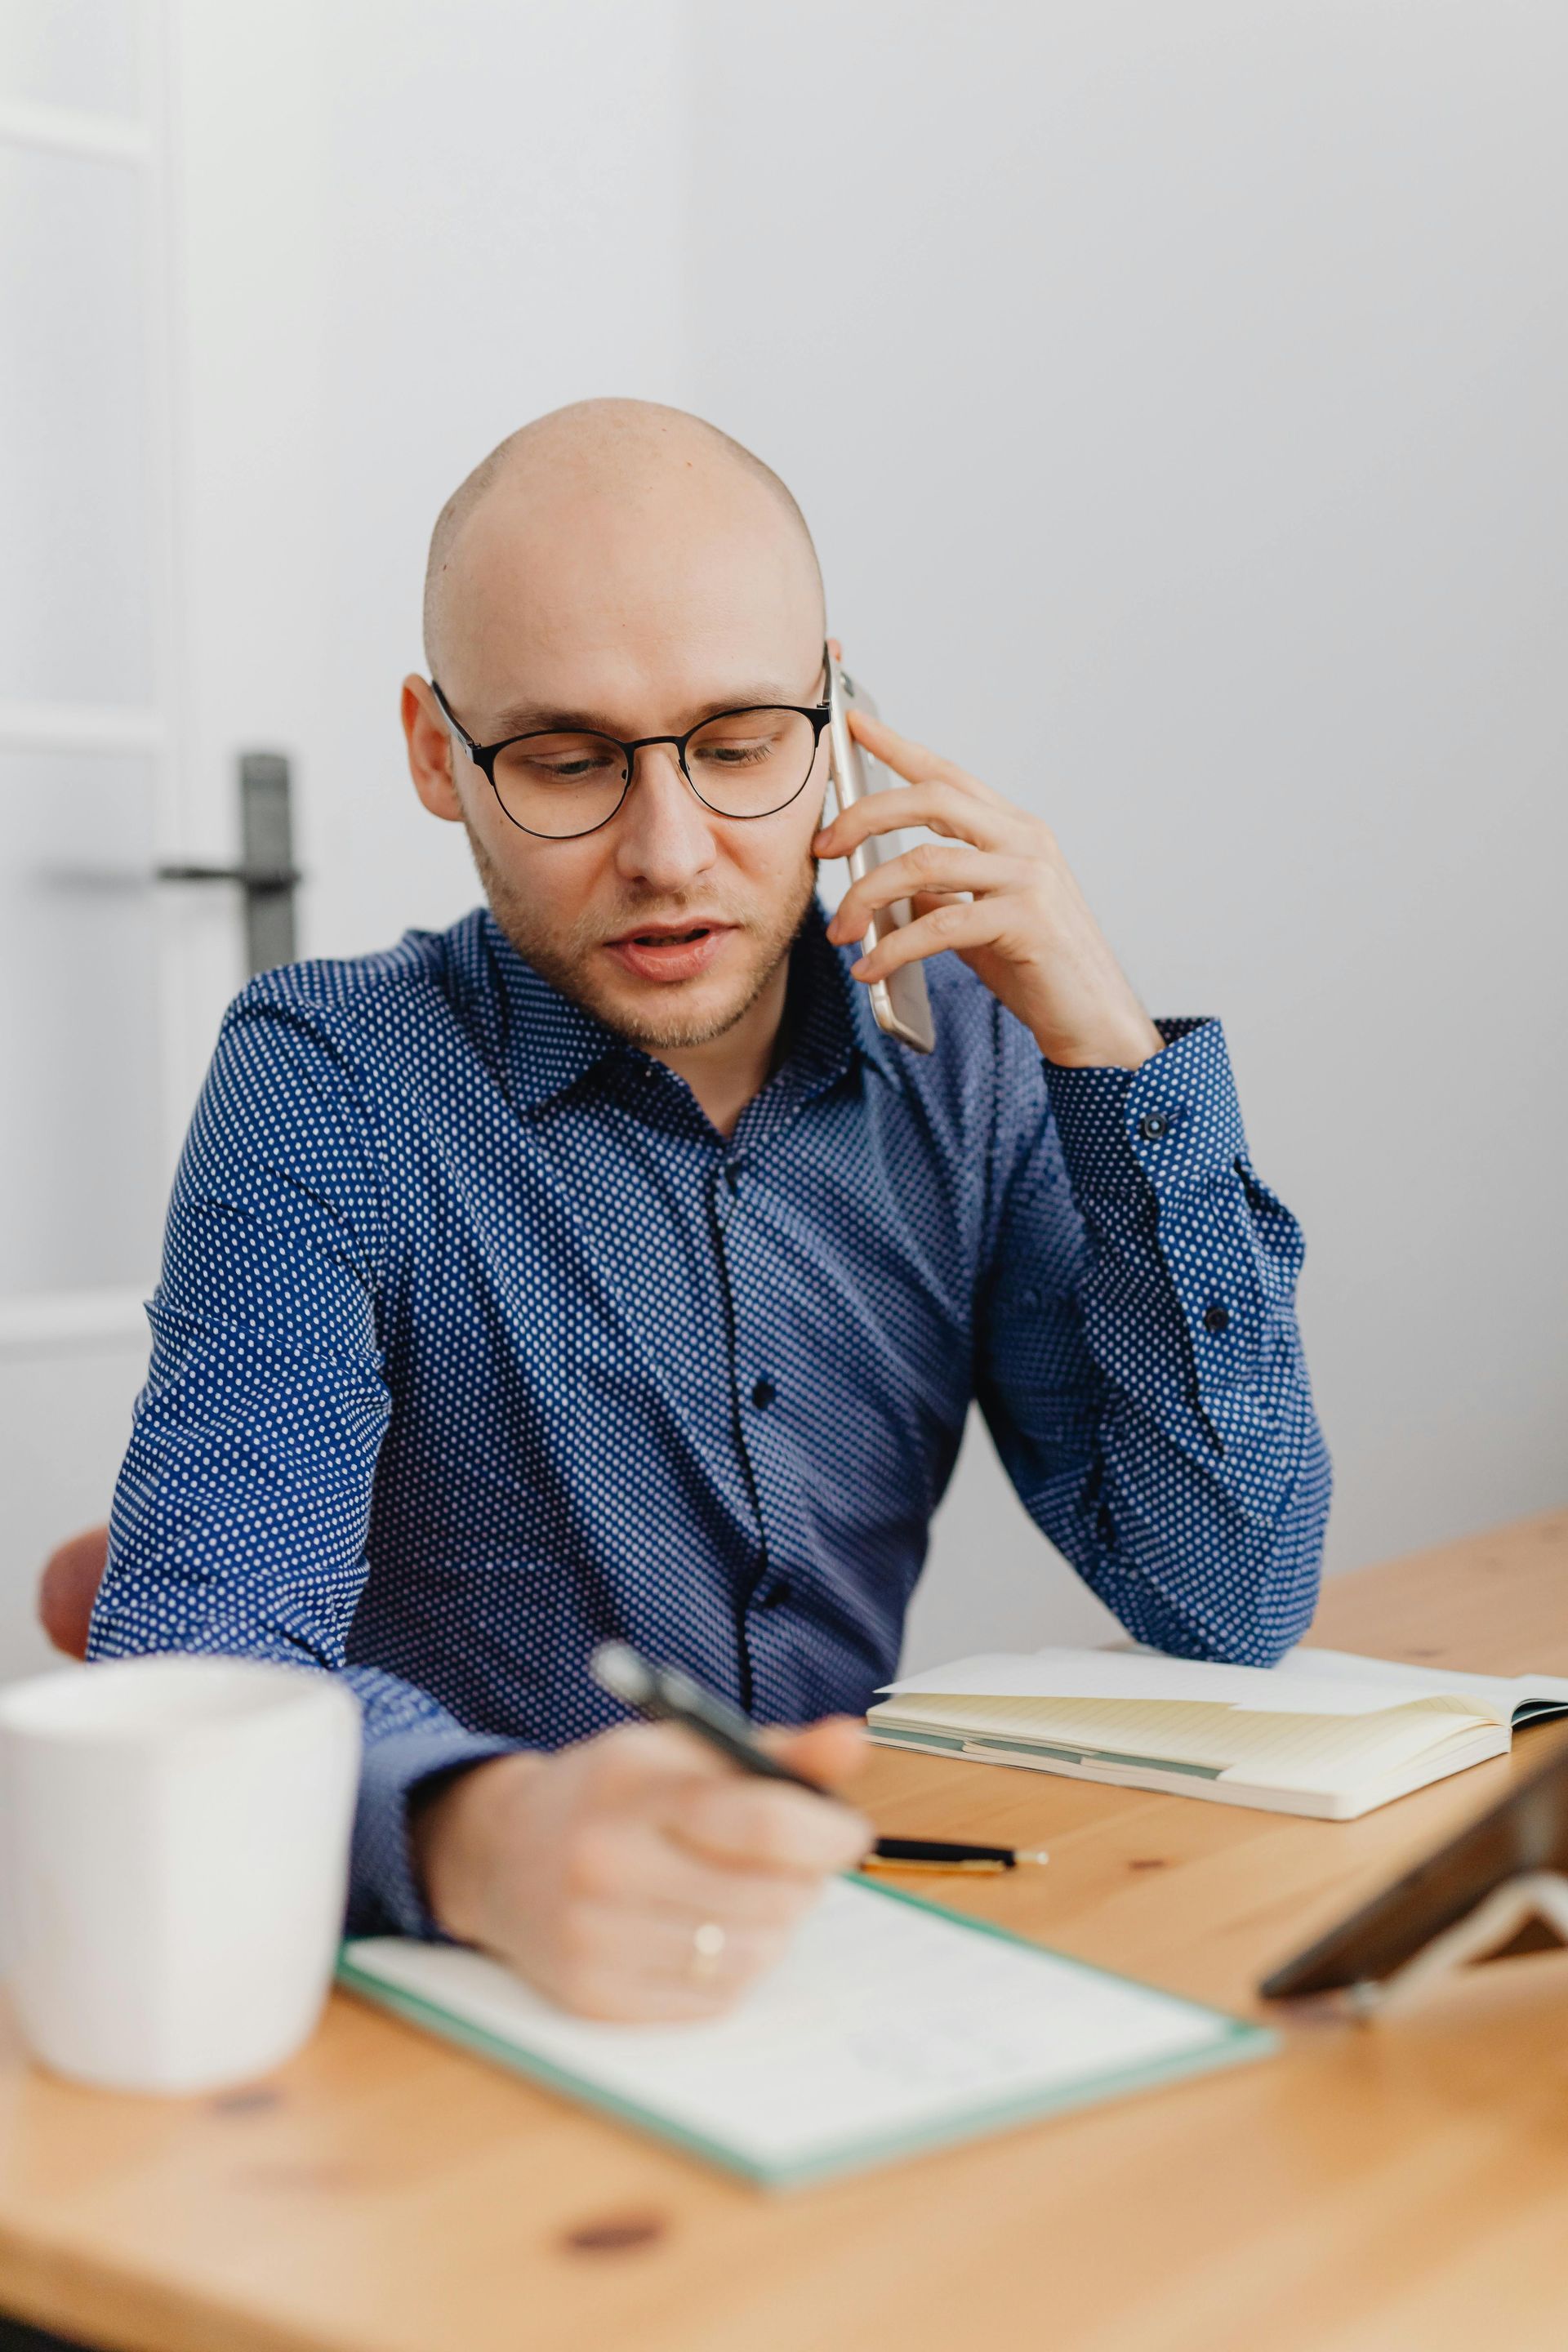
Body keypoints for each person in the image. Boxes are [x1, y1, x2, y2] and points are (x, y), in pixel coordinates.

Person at [88, 399, 1330, 2020]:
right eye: (565, 761)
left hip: (825, 1968)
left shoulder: (971, 1062)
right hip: (463, 1997)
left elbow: (1226, 1596)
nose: (670, 853)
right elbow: (203, 1680)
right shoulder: (332, 1081)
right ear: (433, 752)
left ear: (836, 712)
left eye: (739, 745)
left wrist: (1107, 1052)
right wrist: (480, 1832)